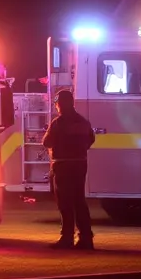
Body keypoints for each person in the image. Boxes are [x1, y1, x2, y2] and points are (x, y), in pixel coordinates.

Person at [42, 90, 96, 249]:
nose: (56, 107)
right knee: (79, 201)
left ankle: (67, 238)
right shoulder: (83, 122)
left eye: (57, 104)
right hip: (80, 165)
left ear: (60, 104)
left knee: (65, 202)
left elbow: (46, 142)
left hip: (62, 165)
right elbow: (91, 139)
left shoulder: (58, 123)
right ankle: (86, 238)